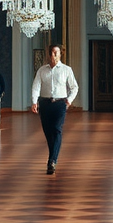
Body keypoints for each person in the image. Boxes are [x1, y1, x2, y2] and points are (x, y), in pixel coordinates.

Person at [31, 44, 79, 175]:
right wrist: (34, 102)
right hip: (45, 103)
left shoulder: (66, 70)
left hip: (59, 104)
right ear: (48, 54)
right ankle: (53, 156)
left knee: (57, 130)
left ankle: (52, 160)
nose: (53, 55)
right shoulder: (42, 70)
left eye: (55, 53)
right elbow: (36, 86)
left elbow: (74, 87)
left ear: (60, 54)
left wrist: (69, 100)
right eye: (51, 53)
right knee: (48, 132)